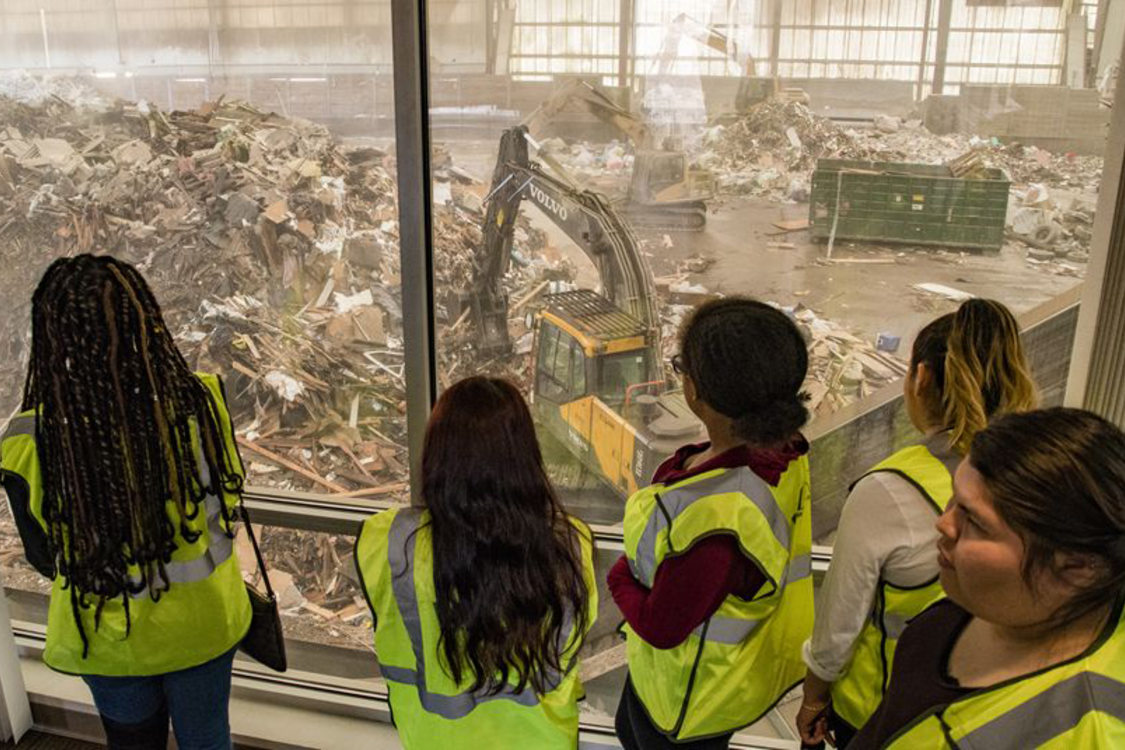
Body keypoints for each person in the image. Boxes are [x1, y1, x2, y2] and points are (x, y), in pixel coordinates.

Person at [0, 255, 252, 749]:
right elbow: (228, 495)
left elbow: (44, 557)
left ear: (52, 337)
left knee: (132, 741)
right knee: (207, 739)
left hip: (110, 639)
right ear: (145, 321)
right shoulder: (202, 401)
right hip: (204, 625)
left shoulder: (30, 440)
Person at [798, 298, 1037, 748]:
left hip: (888, 716)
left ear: (921, 377)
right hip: (996, 712)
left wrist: (814, 698)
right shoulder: (1045, 471)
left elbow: (839, 625)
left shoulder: (889, 491)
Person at [850, 408, 1125, 748]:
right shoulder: (986, 593)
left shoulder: (1084, 735)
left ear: (1077, 567)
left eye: (976, 522)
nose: (944, 524)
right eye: (955, 497)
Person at [609, 297, 814, 749]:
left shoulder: (717, 524)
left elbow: (663, 627)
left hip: (684, 701)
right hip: (722, 677)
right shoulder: (784, 452)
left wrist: (618, 576)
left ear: (697, 391)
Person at [354, 376, 596, 749]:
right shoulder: (572, 544)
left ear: (437, 454)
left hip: (434, 740)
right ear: (525, 456)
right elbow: (574, 636)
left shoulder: (386, 540)